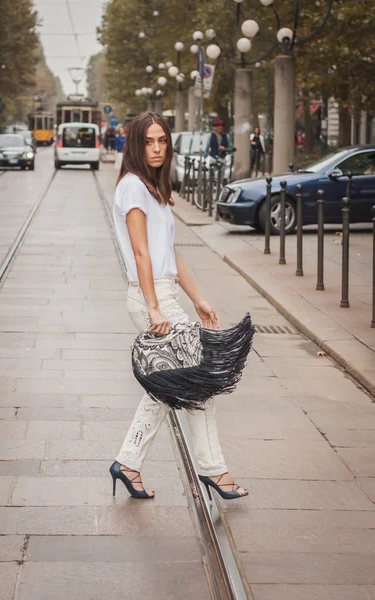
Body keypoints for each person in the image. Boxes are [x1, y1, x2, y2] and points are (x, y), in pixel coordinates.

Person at [110, 111, 248, 501]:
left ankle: (128, 462)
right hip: (152, 296)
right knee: (197, 387)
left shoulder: (153, 189)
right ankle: (215, 472)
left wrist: (198, 298)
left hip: (165, 291)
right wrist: (155, 308)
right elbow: (140, 253)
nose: (156, 149)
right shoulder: (133, 188)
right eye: (148, 142)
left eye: (162, 141)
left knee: (167, 388)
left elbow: (167, 252)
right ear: (135, 146)